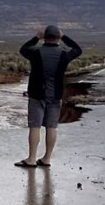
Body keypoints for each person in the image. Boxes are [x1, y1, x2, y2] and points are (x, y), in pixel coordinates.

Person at [16, 25, 82, 168]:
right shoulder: (64, 54)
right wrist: (65, 37)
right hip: (55, 95)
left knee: (35, 126)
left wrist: (36, 38)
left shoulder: (35, 52)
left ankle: (32, 159)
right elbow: (78, 50)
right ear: (58, 38)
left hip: (37, 94)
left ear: (44, 37)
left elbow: (23, 49)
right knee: (51, 127)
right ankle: (46, 158)